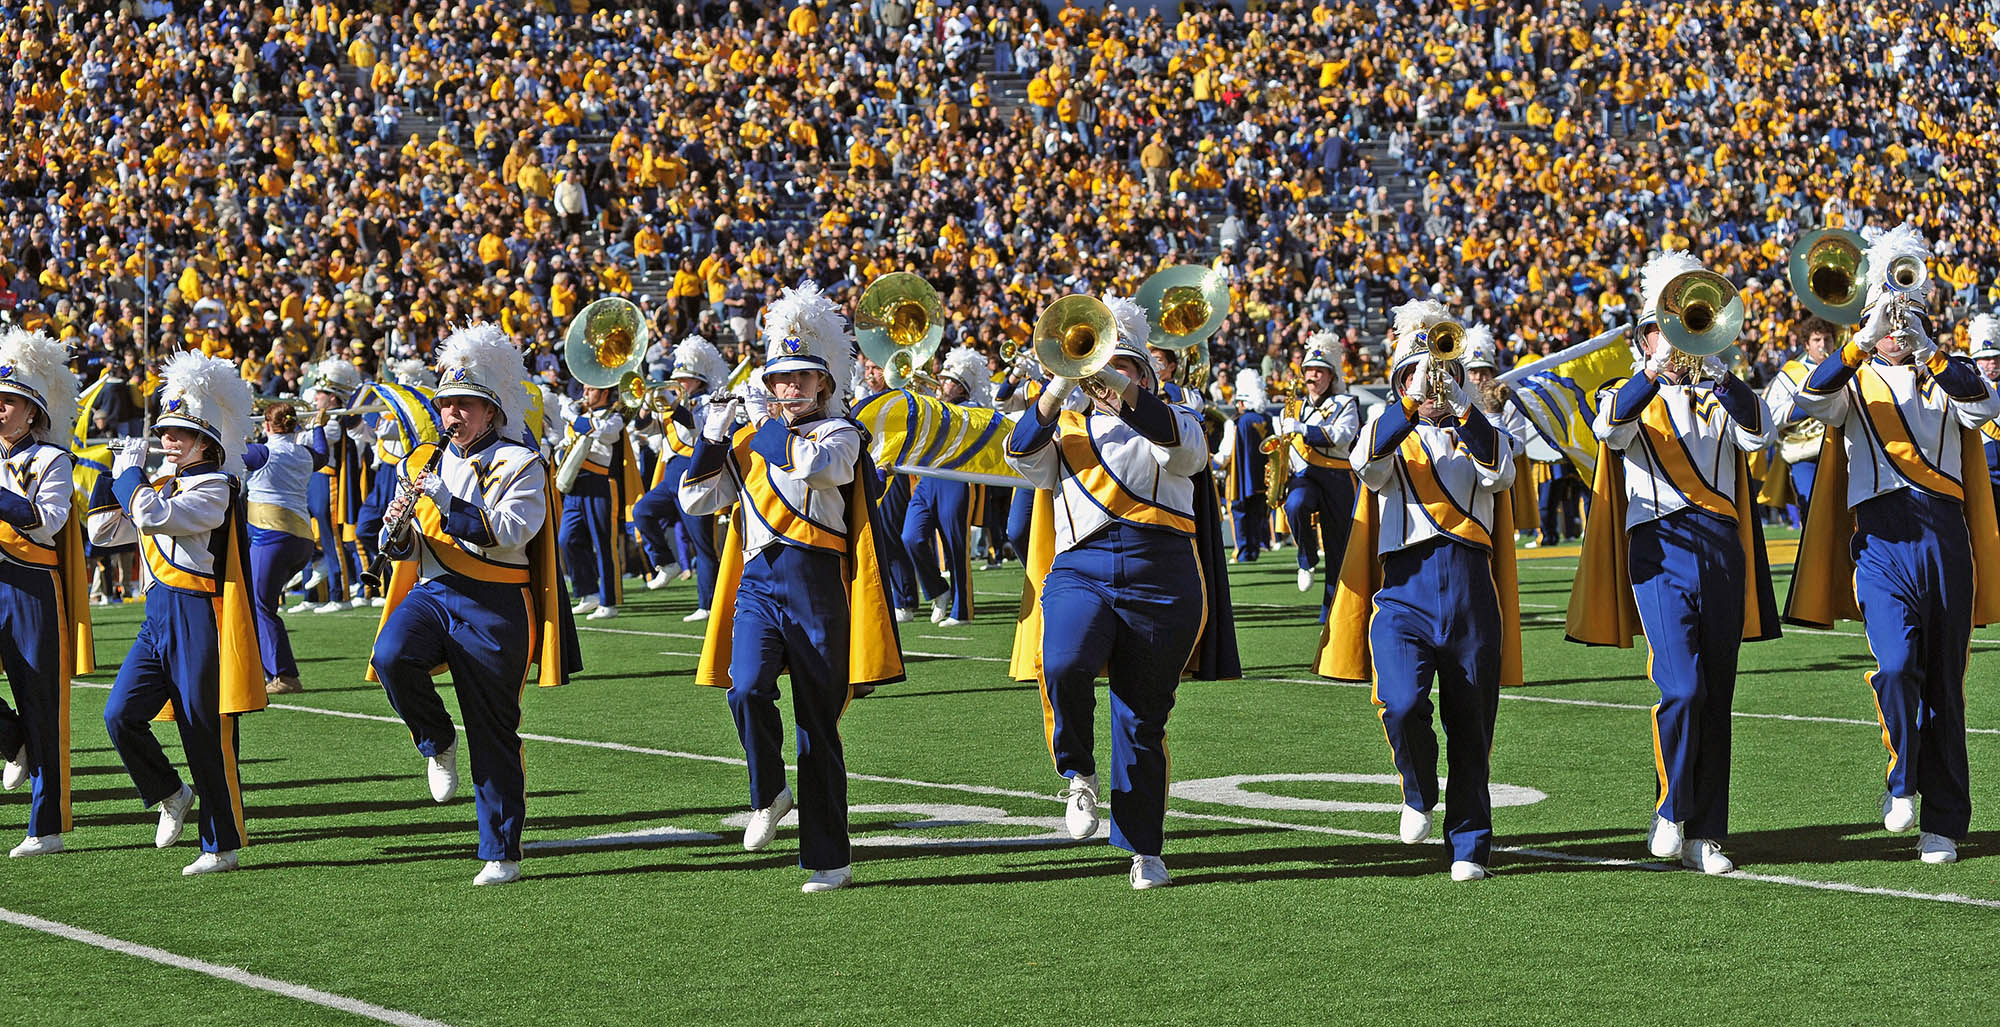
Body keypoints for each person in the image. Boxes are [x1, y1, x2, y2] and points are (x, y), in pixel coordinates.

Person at [1779, 224, 2000, 866]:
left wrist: (1931, 351)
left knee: (1947, 687)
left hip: (1946, 541)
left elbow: (1984, 406)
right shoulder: (1853, 382)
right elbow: (1806, 399)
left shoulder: (1946, 374)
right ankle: (1902, 778)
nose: (1899, 327)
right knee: (1899, 665)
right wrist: (1860, 341)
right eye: (1889, 315)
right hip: (1880, 541)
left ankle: (1944, 824)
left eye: (1907, 314)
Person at [684, 282, 904, 893]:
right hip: (759, 583)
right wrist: (711, 439)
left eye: (802, 379)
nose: (790, 389)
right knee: (746, 688)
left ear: (824, 384)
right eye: (780, 380)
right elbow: (696, 499)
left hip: (818, 586)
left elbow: (816, 469)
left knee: (817, 726)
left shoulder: (842, 434)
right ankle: (769, 791)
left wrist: (756, 426)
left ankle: (828, 859)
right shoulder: (751, 440)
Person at [1567, 252, 1780, 875]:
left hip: (1721, 549)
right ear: (1645, 336)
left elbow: (1761, 433)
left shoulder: (1721, 390)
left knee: (1717, 696)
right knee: (1683, 687)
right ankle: (1670, 809)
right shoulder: (1625, 391)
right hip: (1659, 548)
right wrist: (1656, 373)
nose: (1678, 337)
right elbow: (1608, 428)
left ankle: (1706, 834)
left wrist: (1721, 376)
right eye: (1665, 327)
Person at [1315, 299, 1524, 881]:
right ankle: (1418, 785)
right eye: (1417, 374)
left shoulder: (1482, 430)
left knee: (1472, 724)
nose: (1430, 384)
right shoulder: (1385, 430)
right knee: (1402, 703)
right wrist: (1409, 404)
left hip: (1470, 588)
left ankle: (1470, 845)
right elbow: (1365, 464)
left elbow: (1501, 472)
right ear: (1400, 381)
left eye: (1439, 374)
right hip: (1404, 590)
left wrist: (1463, 406)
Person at [1004, 307, 1208, 890]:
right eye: (1100, 364)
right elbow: (1020, 455)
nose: (1106, 375)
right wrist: (1057, 385)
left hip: (1162, 573)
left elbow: (1184, 455)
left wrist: (1117, 385)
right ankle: (1079, 772)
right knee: (1063, 662)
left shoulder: (1177, 418)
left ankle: (1144, 848)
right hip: (1082, 568)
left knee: (1142, 717)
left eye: (1124, 367)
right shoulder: (1067, 425)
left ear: (1146, 376)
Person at [369, 323, 579, 886]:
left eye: (465, 404)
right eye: (446, 404)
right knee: (390, 656)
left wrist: (447, 502)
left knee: (494, 729)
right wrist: (395, 532)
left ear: (491, 412)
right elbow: (414, 547)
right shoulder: (421, 460)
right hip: (434, 592)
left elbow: (511, 532)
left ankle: (501, 851)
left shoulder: (521, 463)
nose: (452, 413)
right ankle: (437, 739)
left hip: (495, 602)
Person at [92, 351, 263, 877]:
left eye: (180, 433)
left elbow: (150, 515)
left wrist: (130, 477)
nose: (168, 439)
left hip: (199, 615)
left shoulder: (216, 486)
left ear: (205, 442)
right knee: (120, 715)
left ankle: (221, 844)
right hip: (158, 616)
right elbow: (104, 533)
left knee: (203, 731)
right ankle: (170, 791)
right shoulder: (164, 483)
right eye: (165, 431)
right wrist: (106, 476)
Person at [0, 326, 89, 858]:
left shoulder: (52, 460)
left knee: (41, 705)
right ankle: (13, 743)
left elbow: (48, 520)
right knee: (25, 723)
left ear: (32, 412)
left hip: (31, 588)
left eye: (8, 402)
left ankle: (46, 827)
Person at [900, 345, 992, 626]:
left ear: (962, 388)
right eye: (942, 379)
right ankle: (939, 590)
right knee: (911, 536)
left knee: (955, 548)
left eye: (948, 381)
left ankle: (962, 612)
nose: (941, 383)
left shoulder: (971, 409)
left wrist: (927, 400)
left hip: (955, 480)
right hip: (927, 478)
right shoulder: (936, 405)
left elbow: (954, 421)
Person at [632, 335, 727, 598]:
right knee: (642, 511)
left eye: (684, 379)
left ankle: (709, 604)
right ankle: (666, 562)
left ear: (698, 381)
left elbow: (696, 428)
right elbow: (643, 428)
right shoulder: (671, 405)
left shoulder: (707, 403)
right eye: (678, 378)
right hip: (671, 477)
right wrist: (645, 406)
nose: (678, 383)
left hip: (695, 476)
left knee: (703, 544)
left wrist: (671, 404)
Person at [1275, 333, 1360, 616]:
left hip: (1338, 477)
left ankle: (1332, 614)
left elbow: (1344, 435)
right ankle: (1306, 557)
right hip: (1306, 476)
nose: (1313, 376)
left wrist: (1304, 429)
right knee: (1295, 505)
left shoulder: (1345, 403)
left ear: (1331, 376)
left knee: (1339, 549)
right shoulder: (1293, 408)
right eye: (1310, 370)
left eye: (1320, 371)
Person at [243, 404, 324, 695]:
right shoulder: (305, 454)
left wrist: (232, 426)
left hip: (270, 537)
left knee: (261, 606)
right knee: (262, 604)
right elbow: (323, 455)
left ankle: (285, 675)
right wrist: (318, 427)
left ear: (267, 425)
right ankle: (266, 669)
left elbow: (224, 454)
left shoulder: (261, 453)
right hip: (301, 540)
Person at [558, 380, 640, 620]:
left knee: (604, 544)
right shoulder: (582, 415)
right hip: (575, 485)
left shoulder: (615, 416)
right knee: (567, 539)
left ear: (604, 392)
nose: (584, 392)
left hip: (600, 484)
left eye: (590, 388)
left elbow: (606, 433)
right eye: (584, 388)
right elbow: (567, 443)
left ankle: (609, 602)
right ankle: (588, 592)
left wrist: (572, 418)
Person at [300, 357, 370, 612]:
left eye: (321, 393)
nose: (316, 397)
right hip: (311, 480)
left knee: (332, 538)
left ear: (332, 399)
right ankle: (314, 593)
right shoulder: (316, 418)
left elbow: (305, 441)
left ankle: (340, 595)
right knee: (308, 534)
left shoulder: (333, 423)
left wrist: (301, 427)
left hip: (326, 479)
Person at [1763, 317, 1836, 528]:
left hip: (1841, 449)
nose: (1823, 345)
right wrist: (1807, 406)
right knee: (1814, 513)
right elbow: (1770, 415)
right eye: (1817, 340)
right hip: (1805, 453)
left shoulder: (1845, 367)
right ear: (1806, 345)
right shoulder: (1790, 374)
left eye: (1828, 339)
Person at [1218, 368, 1271, 561]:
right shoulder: (1267, 419)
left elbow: (1226, 453)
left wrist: (1213, 462)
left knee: (1238, 512)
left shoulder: (1236, 422)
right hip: (1263, 477)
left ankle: (1242, 552)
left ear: (1242, 402)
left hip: (1239, 476)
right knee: (1256, 513)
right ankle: (1254, 550)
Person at [1969, 314, 2000, 511]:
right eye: (1986, 358)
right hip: (1983, 473)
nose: (1993, 363)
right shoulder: (1967, 386)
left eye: (1996, 357)